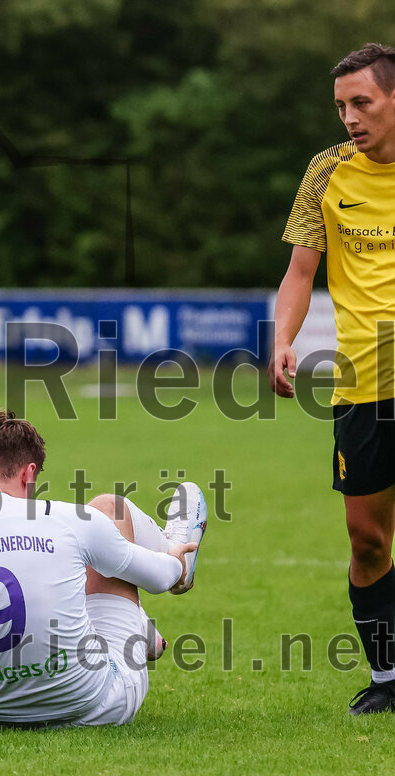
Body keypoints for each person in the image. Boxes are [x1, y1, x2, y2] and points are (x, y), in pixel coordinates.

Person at [0, 411, 205, 727]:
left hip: (3, 718)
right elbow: (158, 579)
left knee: (73, 564)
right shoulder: (69, 520)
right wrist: (175, 564)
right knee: (109, 509)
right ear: (28, 474)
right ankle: (172, 548)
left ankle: (141, 626)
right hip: (101, 703)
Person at [270, 43, 395, 715]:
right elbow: (300, 272)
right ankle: (388, 676)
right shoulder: (328, 172)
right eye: (342, 106)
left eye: (362, 103)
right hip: (365, 387)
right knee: (368, 540)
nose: (349, 117)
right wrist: (284, 340)